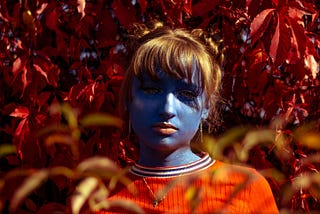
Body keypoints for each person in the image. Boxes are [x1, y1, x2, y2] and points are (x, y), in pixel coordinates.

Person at [97, 22, 279, 213]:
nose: (167, 108)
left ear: (206, 107)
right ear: (128, 98)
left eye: (187, 94)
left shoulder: (245, 188)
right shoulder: (99, 199)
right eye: (151, 89)